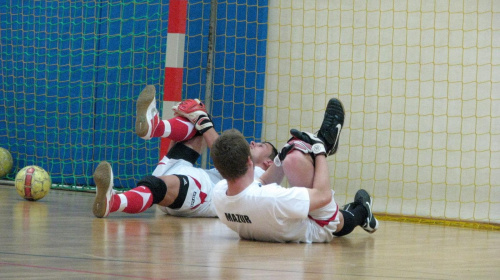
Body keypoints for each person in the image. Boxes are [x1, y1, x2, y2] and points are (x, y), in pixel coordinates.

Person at [92, 85, 277, 218]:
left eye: (261, 146)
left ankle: (114, 203)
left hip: (203, 194)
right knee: (196, 124)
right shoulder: (248, 168)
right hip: (191, 175)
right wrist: (196, 118)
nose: (254, 142)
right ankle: (155, 127)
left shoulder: (260, 175)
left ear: (268, 163)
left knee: (202, 122)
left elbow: (225, 156)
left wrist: (204, 120)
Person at [210, 98, 379, 243]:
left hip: (271, 219)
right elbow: (323, 195)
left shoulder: (219, 194)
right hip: (319, 226)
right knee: (294, 160)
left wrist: (279, 159)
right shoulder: (273, 199)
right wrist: (319, 150)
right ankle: (361, 210)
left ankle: (362, 212)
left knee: (288, 158)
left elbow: (257, 185)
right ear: (249, 161)